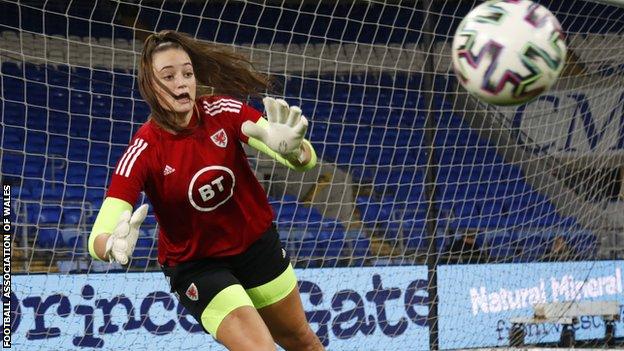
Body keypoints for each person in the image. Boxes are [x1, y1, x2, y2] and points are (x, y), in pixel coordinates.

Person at [87, 30, 324, 351]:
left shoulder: (222, 111)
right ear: (150, 87)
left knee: (302, 341)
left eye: (187, 73)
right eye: (168, 76)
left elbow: (292, 152)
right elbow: (101, 232)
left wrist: (293, 150)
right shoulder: (144, 149)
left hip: (256, 245)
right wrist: (110, 244)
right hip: (198, 266)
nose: (181, 82)